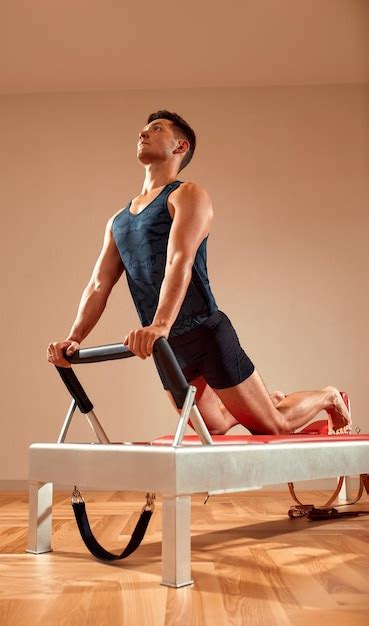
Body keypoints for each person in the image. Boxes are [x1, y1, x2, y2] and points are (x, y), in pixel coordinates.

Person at [47, 110, 352, 436]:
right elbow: (98, 284)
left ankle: (328, 396)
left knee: (272, 426)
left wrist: (159, 325)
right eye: (144, 128)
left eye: (156, 128)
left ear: (180, 147)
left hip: (205, 333)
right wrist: (75, 337)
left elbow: (180, 260)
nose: (143, 132)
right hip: (166, 347)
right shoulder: (118, 222)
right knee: (215, 426)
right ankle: (265, 400)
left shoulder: (188, 195)